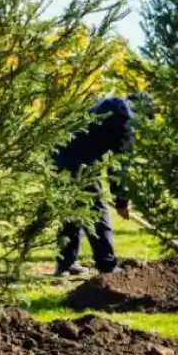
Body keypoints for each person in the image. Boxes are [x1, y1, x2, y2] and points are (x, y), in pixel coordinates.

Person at [52, 94, 142, 276]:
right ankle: (107, 265)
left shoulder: (102, 102)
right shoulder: (125, 122)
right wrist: (122, 202)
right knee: (97, 213)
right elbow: (119, 167)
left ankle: (65, 263)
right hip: (79, 163)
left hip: (57, 156)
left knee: (72, 212)